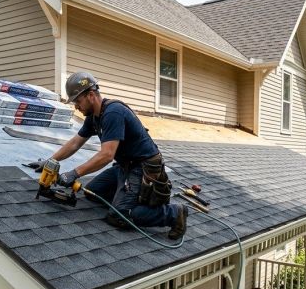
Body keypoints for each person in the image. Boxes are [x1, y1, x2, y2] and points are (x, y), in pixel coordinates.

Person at [27, 72, 189, 239]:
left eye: (77, 101)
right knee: (91, 192)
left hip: (143, 168)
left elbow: (106, 155)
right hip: (125, 166)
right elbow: (75, 142)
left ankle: (174, 213)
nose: (76, 106)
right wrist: (51, 160)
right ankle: (127, 199)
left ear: (91, 95)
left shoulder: (113, 113)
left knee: (119, 215)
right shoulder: (94, 117)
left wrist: (74, 174)